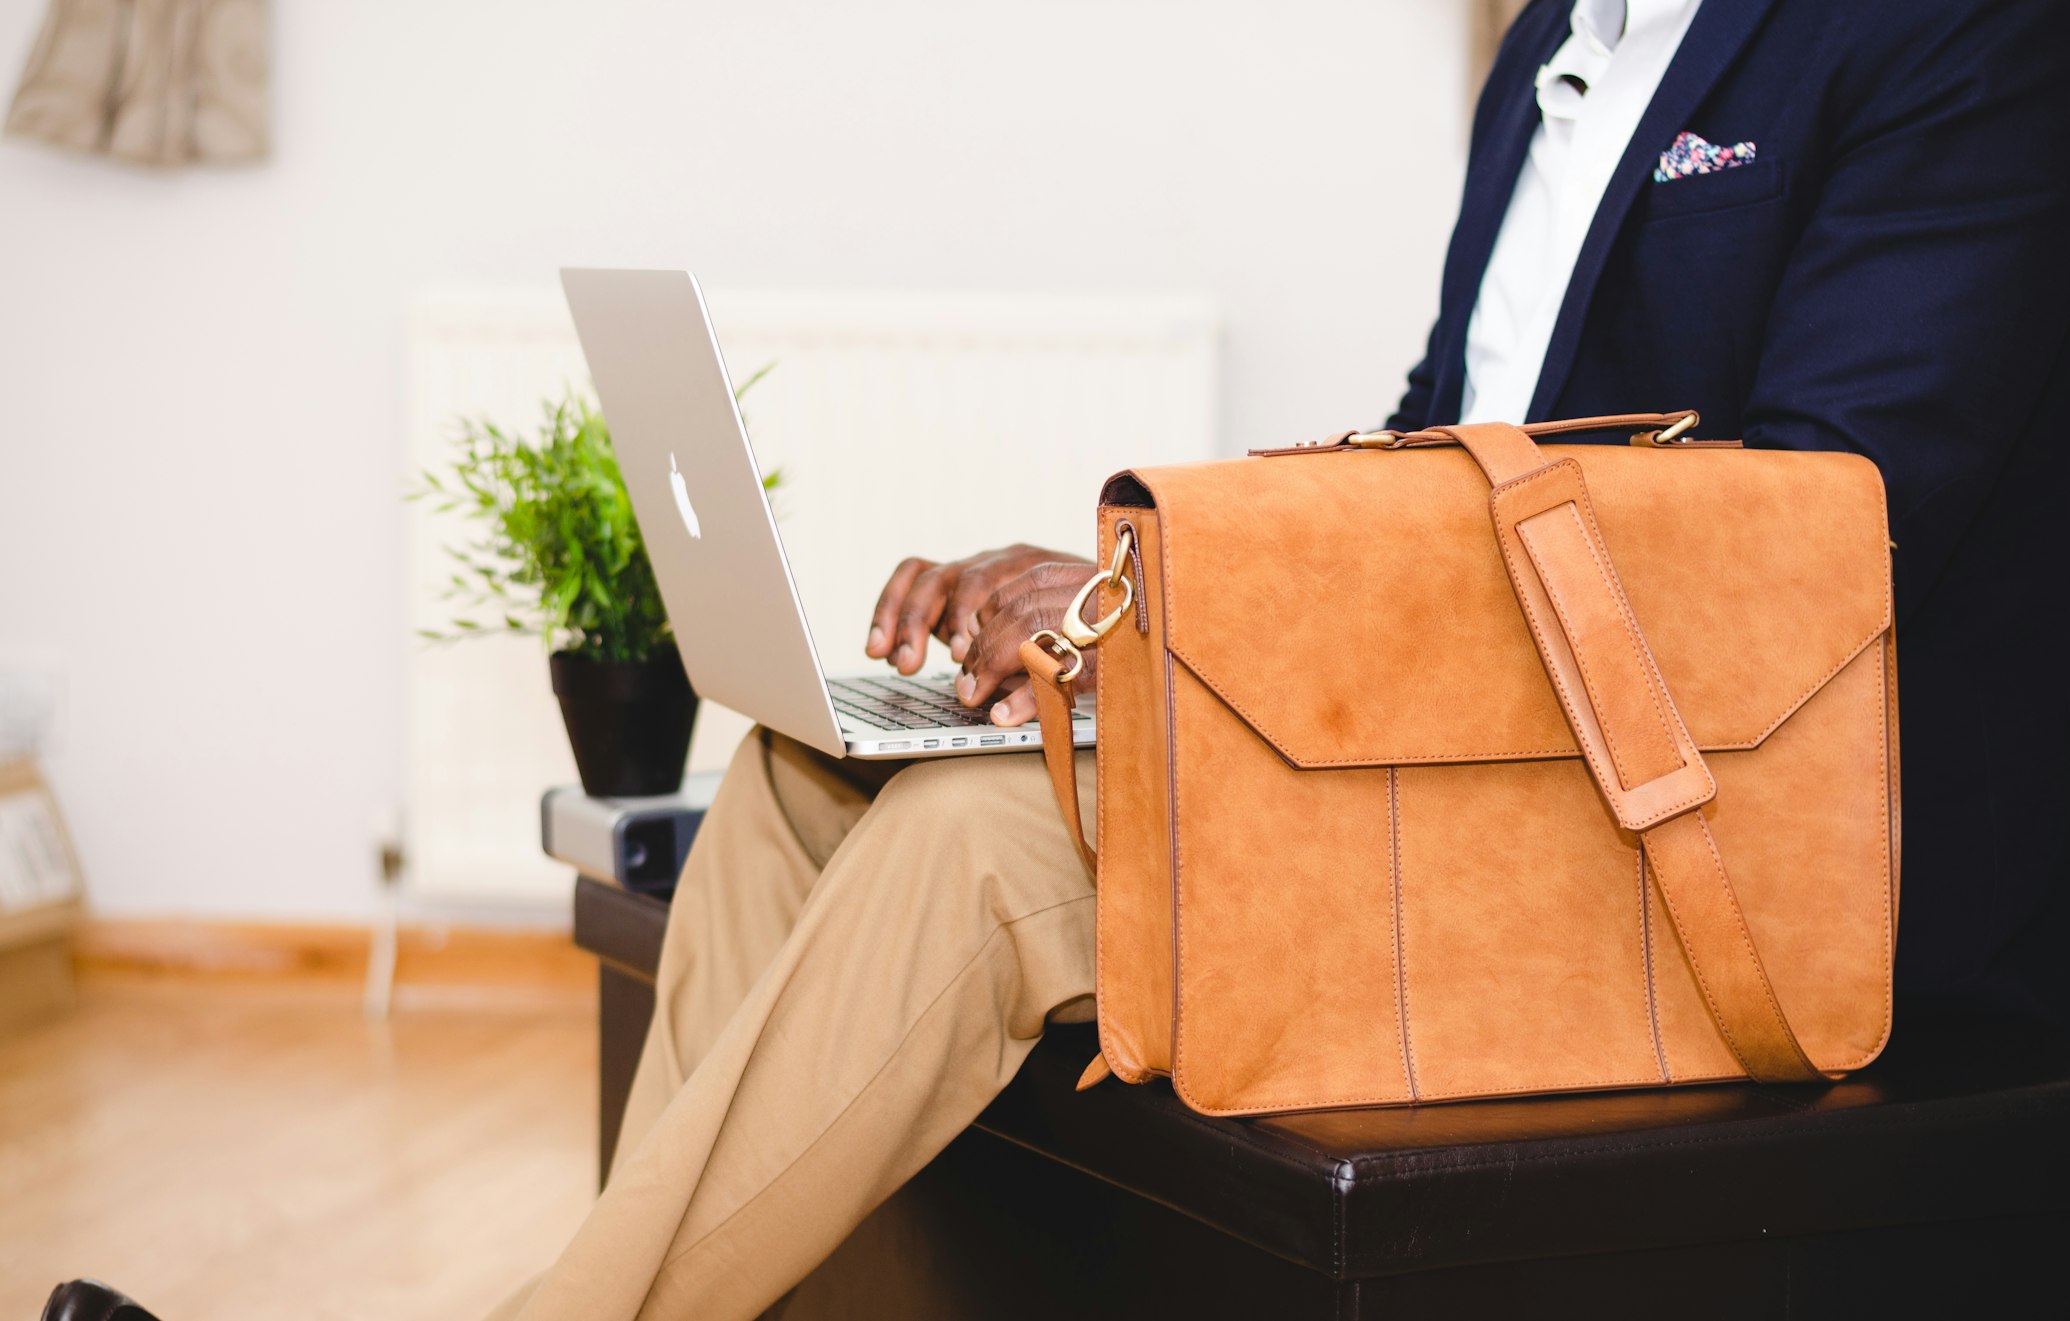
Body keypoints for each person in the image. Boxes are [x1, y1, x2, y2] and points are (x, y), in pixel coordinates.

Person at [53, 1, 2066, 1318]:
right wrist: (1128, 602)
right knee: (807, 779)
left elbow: (1805, 535)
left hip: (1712, 854)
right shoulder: (1551, 44)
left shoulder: (1951, 35)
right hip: (1473, 778)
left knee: (981, 856)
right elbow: (1435, 445)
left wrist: (1194, 618)